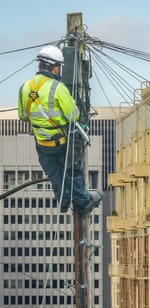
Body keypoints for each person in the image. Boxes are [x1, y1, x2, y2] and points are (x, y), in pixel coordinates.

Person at [18, 45, 104, 215]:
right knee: (72, 170)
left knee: (55, 175)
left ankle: (63, 201)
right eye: (59, 66)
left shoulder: (24, 88)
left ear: (40, 65)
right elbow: (73, 115)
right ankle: (84, 201)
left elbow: (23, 116)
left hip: (42, 143)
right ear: (54, 67)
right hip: (61, 141)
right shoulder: (58, 88)